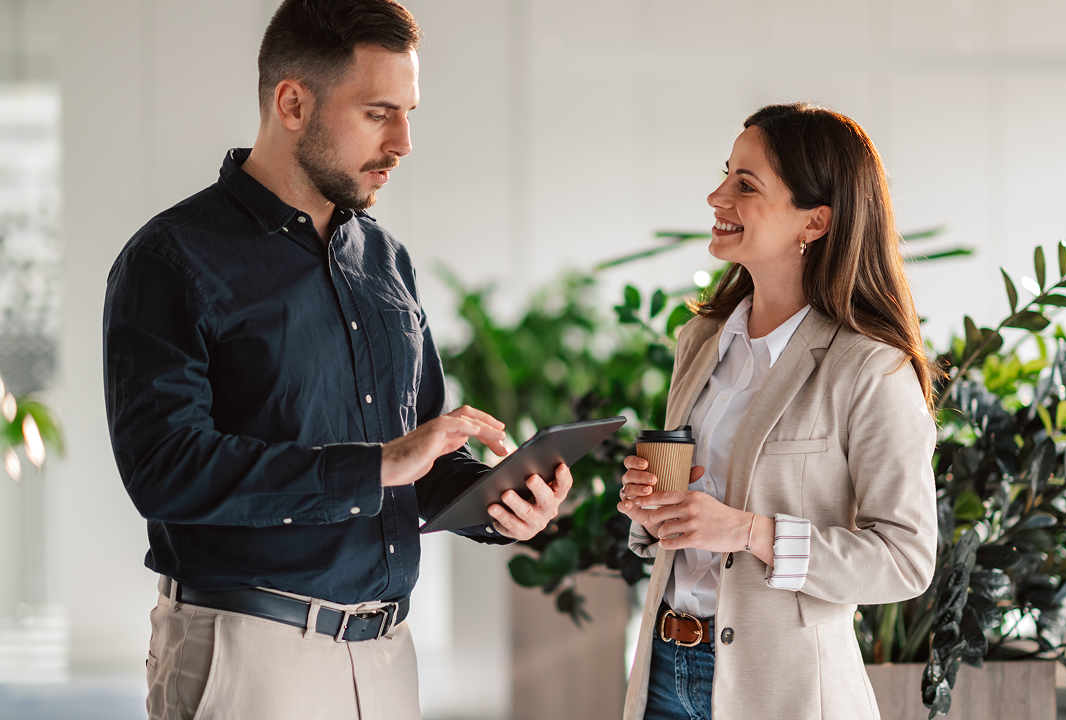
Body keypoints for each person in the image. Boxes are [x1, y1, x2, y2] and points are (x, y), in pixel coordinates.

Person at [102, 2, 572, 718]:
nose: (405, 141)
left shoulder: (385, 260)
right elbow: (165, 471)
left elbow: (417, 461)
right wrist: (377, 465)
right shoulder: (172, 259)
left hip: (388, 655)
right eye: (380, 113)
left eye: (409, 113)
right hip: (251, 657)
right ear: (293, 102)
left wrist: (498, 504)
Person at [617, 103, 940, 720]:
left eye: (746, 184)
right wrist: (652, 505)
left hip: (783, 689)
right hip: (663, 669)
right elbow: (683, 522)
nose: (717, 196)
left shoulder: (869, 368)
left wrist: (747, 531)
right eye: (725, 175)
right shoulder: (701, 341)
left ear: (814, 221)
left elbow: (905, 560)